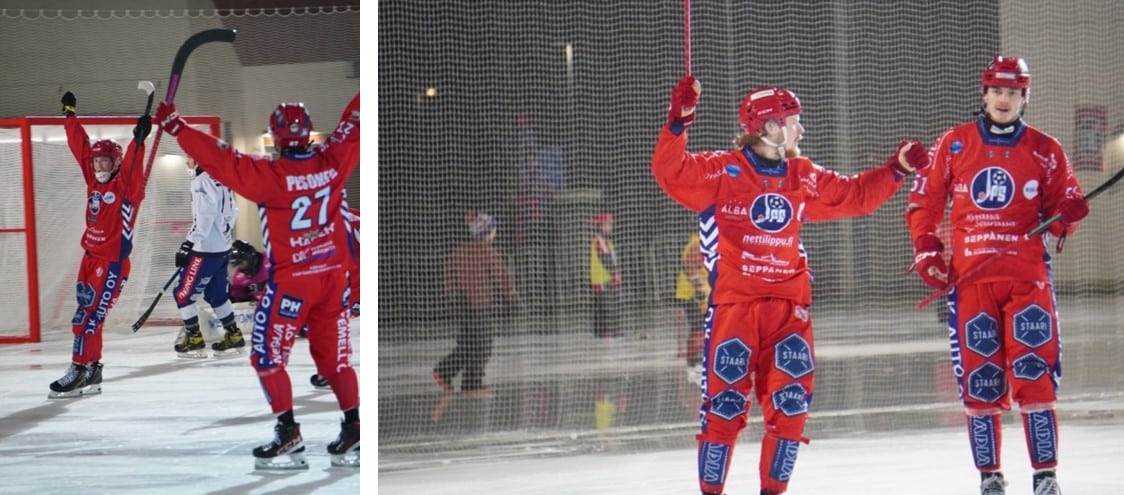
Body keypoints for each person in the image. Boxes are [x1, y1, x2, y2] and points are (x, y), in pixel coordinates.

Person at [651, 76, 930, 495]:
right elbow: (669, 171)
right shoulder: (722, 171)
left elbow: (854, 195)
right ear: (769, 128)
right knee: (724, 409)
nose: (801, 129)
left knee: (792, 406)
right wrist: (679, 122)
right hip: (735, 311)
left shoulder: (802, 175)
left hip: (788, 314)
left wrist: (896, 170)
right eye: (793, 121)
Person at [905, 56, 1089, 495]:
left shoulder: (1046, 149)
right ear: (984, 94)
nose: (1004, 99)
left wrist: (1069, 216)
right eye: (997, 91)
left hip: (1028, 281)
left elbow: (1062, 216)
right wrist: (927, 247)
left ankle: (1045, 475)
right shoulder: (954, 143)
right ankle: (989, 477)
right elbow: (924, 202)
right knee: (981, 380)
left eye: (1013, 92)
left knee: (1034, 375)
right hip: (972, 282)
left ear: (1025, 97)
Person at [155, 93, 360, 469]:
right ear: (308, 132)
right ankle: (354, 429)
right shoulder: (333, 161)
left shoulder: (270, 175)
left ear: (275, 137)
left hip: (293, 283)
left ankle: (288, 432)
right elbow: (355, 122)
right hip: (333, 280)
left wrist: (177, 127)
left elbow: (221, 158)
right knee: (336, 362)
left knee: (267, 356)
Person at [48, 91, 151, 398]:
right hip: (90, 258)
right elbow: (80, 147)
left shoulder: (127, 188)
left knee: (87, 318)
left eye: (105, 160)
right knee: (90, 314)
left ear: (116, 163)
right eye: (96, 161)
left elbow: (133, 167)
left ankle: (78, 369)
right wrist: (70, 115)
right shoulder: (93, 181)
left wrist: (138, 141)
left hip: (112, 264)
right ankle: (93, 368)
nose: (99, 166)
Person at [433, 212, 518, 397]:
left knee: (467, 344)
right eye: (494, 230)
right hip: (480, 306)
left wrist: (451, 294)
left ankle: (444, 372)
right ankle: (472, 384)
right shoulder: (488, 252)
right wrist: (512, 298)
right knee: (483, 345)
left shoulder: (460, 250)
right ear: (488, 232)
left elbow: (448, 272)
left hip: (462, 306)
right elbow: (502, 277)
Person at [171, 155, 244, 358]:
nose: (187, 162)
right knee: (216, 295)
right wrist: (223, 235)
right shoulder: (223, 179)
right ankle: (234, 335)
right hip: (222, 249)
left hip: (205, 250)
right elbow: (233, 212)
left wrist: (188, 243)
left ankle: (194, 340)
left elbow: (204, 215)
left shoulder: (200, 182)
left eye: (189, 158)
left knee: (183, 294)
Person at [674, 232, 709, 381]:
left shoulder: (701, 244)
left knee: (699, 330)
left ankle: (693, 363)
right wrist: (699, 290)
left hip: (698, 295)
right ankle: (694, 363)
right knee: (698, 330)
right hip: (694, 296)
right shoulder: (697, 245)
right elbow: (689, 268)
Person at [589, 212, 622, 339]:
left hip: (605, 280)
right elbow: (605, 259)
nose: (610, 227)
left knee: (602, 307)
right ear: (599, 226)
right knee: (606, 307)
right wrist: (615, 274)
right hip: (602, 280)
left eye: (610, 225)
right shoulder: (599, 241)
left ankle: (601, 332)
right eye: (606, 225)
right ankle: (607, 332)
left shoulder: (608, 242)